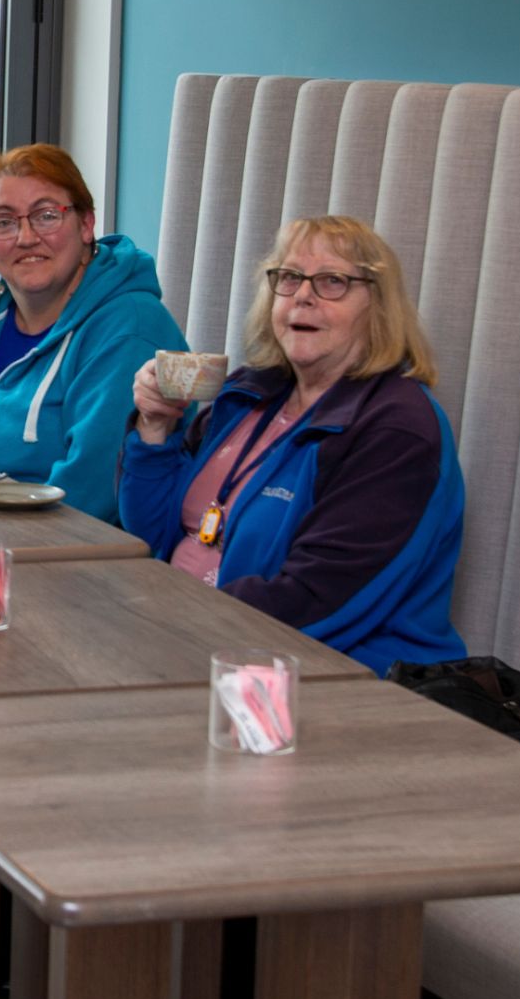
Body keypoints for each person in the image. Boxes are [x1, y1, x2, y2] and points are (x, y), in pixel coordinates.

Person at [119, 215, 465, 674]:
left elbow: (315, 600)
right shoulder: (247, 393)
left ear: (378, 307)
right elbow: (151, 534)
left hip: (326, 679)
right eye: (290, 277)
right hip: (200, 644)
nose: (303, 294)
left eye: (333, 281)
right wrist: (154, 426)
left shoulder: (397, 431)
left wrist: (163, 626)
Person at [0, 144, 183, 523]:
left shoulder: (130, 330)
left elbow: (90, 499)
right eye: (3, 222)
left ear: (86, 224)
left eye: (46, 216)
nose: (26, 237)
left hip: (76, 549)